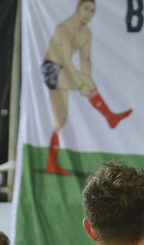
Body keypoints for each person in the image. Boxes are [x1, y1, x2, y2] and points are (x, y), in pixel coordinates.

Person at [41, 0, 132, 176]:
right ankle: (110, 116)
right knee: (84, 87)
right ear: (78, 8)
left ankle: (51, 163)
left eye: (92, 11)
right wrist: (82, 84)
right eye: (86, 9)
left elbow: (85, 60)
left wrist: (88, 80)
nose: (87, 14)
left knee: (60, 119)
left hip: (63, 72)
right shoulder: (64, 28)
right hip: (51, 68)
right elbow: (66, 61)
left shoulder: (87, 33)